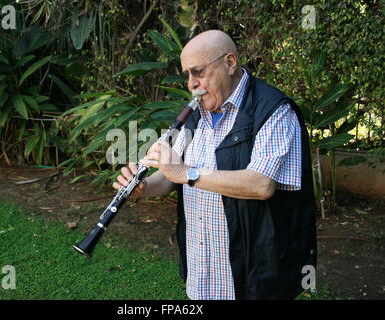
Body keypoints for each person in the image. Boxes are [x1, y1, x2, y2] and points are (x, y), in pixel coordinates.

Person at [113, 30, 317, 300]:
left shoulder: (273, 110)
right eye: (187, 74)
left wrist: (187, 173)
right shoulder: (196, 113)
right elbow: (170, 177)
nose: (191, 83)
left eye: (198, 72)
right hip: (204, 265)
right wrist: (143, 186)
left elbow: (261, 184)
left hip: (253, 269)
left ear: (230, 63)